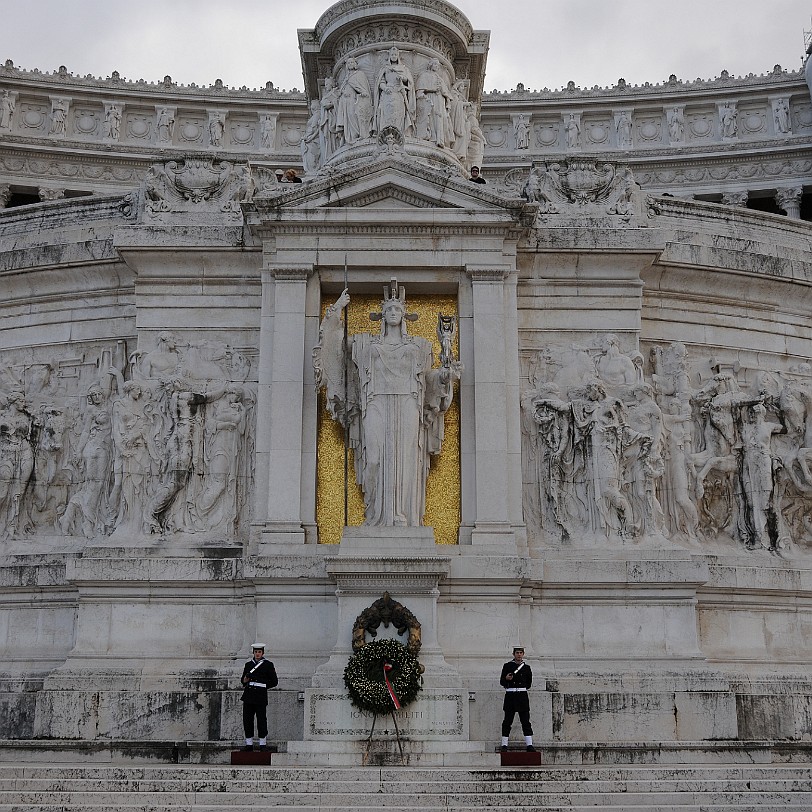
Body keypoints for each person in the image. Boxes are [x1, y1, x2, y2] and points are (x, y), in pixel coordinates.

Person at [240, 643, 278, 751]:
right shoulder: (248, 665)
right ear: (253, 653)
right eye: (256, 652)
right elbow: (243, 680)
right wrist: (246, 679)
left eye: (259, 652)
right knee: (247, 720)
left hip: (260, 696)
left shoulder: (268, 665)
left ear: (263, 653)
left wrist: (262, 685)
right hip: (249, 695)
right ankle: (249, 744)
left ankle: (262, 744)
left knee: (261, 720)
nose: (257, 654)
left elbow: (274, 681)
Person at [500, 646, 534, 751]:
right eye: (517, 653)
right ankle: (504, 744)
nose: (519, 655)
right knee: (507, 721)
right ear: (513, 654)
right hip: (510, 696)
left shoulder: (526, 668)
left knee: (525, 721)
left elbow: (528, 683)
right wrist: (506, 679)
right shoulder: (507, 666)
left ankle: (529, 744)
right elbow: (502, 681)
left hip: (522, 696)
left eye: (521, 653)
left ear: (523, 654)